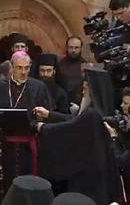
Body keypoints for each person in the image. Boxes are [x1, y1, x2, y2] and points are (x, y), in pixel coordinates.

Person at [0, 51, 54, 205]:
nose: (23, 72)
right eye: (19, 68)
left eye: (27, 68)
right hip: (3, 145)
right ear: (11, 67)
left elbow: (49, 115)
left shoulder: (38, 87)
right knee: (3, 185)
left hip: (29, 146)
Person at [34, 67, 120, 204]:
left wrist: (44, 128)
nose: (82, 92)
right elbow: (73, 120)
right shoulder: (98, 111)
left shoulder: (92, 113)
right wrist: (49, 115)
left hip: (88, 174)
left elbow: (70, 128)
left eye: (85, 90)